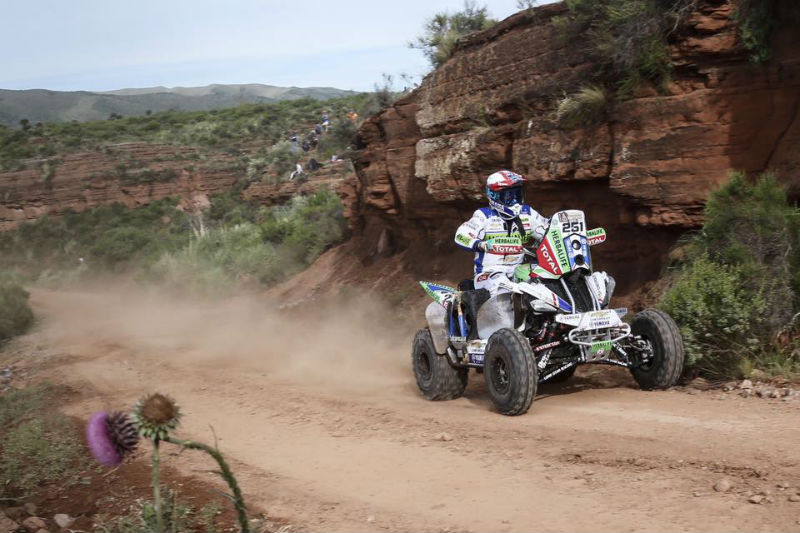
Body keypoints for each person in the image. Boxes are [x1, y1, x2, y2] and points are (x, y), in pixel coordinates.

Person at [454, 170, 548, 296]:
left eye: (517, 194)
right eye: (509, 196)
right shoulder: (484, 216)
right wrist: (481, 245)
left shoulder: (527, 213)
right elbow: (461, 235)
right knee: (502, 286)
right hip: (488, 274)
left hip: (518, 270)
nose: (514, 200)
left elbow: (549, 231)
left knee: (547, 277)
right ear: (494, 196)